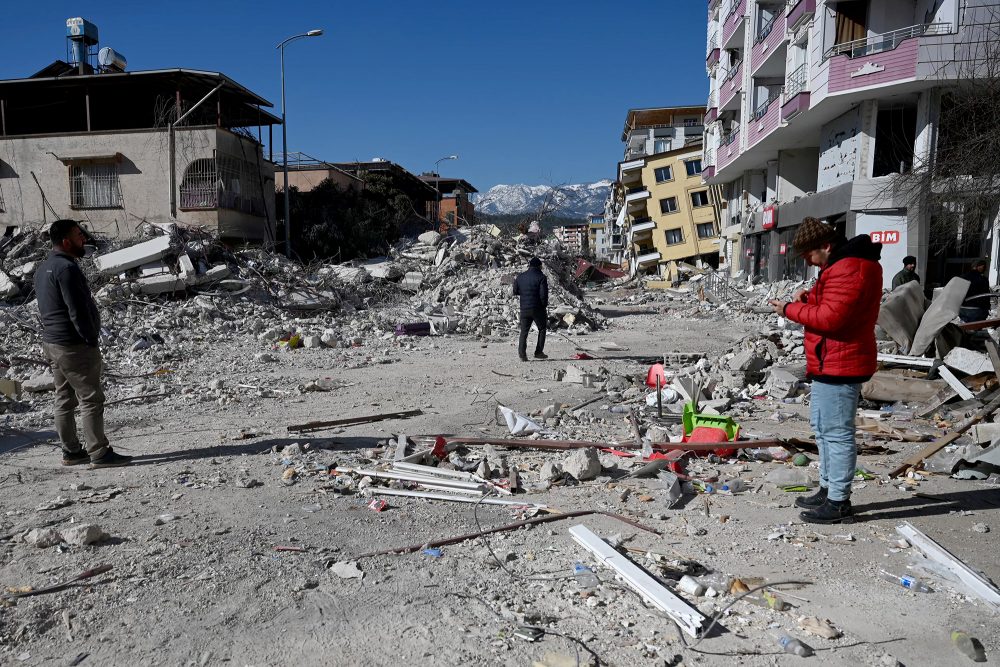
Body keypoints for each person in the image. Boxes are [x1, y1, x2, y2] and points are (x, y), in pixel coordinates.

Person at [768, 218, 882, 524]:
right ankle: (828, 488)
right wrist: (808, 298)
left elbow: (832, 319)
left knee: (837, 434)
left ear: (826, 246)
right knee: (822, 429)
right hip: (830, 360)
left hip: (841, 362)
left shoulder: (849, 268)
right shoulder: (840, 267)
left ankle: (839, 502)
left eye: (809, 255)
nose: (807, 261)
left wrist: (789, 310)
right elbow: (833, 306)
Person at [34, 220, 132, 469]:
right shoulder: (67, 269)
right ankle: (99, 453)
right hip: (73, 345)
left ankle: (71, 452)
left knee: (64, 398)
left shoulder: (44, 268)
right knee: (91, 398)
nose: (84, 240)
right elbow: (77, 310)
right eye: (79, 236)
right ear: (66, 241)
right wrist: (89, 339)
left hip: (53, 343)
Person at [513, 256, 549, 362]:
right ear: (539, 266)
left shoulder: (520, 277)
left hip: (524, 309)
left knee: (524, 331)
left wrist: (524, 293)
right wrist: (544, 306)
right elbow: (543, 295)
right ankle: (538, 352)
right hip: (537, 308)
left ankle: (522, 354)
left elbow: (515, 291)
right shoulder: (542, 277)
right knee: (542, 329)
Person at [959, 258, 992, 323]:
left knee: (966, 326)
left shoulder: (962, 277)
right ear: (980, 266)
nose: (985, 269)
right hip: (975, 310)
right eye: (984, 266)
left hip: (962, 309)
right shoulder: (983, 280)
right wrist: (987, 308)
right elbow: (986, 297)